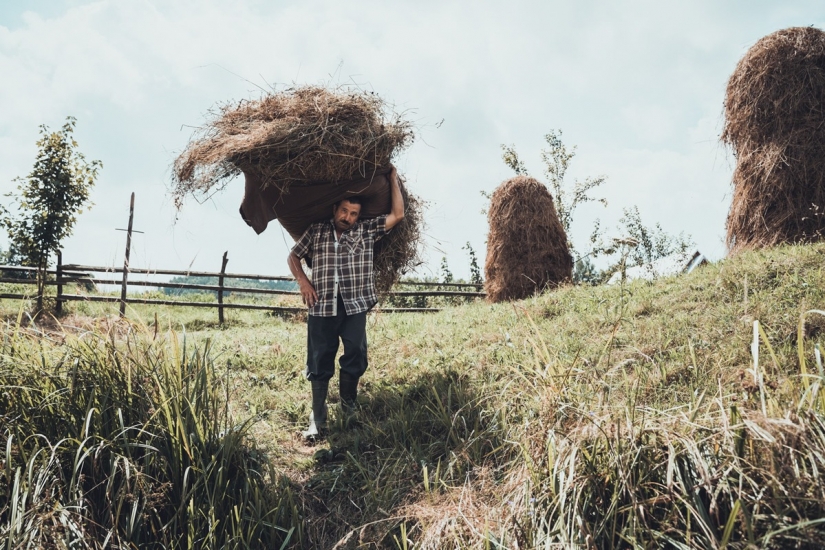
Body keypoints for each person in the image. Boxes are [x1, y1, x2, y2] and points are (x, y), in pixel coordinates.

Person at [287, 166, 405, 438]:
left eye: (353, 214)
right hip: (322, 304)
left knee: (355, 353)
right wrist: (304, 282)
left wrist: (392, 179)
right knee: (319, 359)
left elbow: (398, 214)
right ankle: (317, 419)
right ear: (334, 209)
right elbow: (293, 256)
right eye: (344, 211)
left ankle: (349, 408)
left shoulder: (366, 230)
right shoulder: (316, 231)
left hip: (354, 304)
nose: (348, 218)